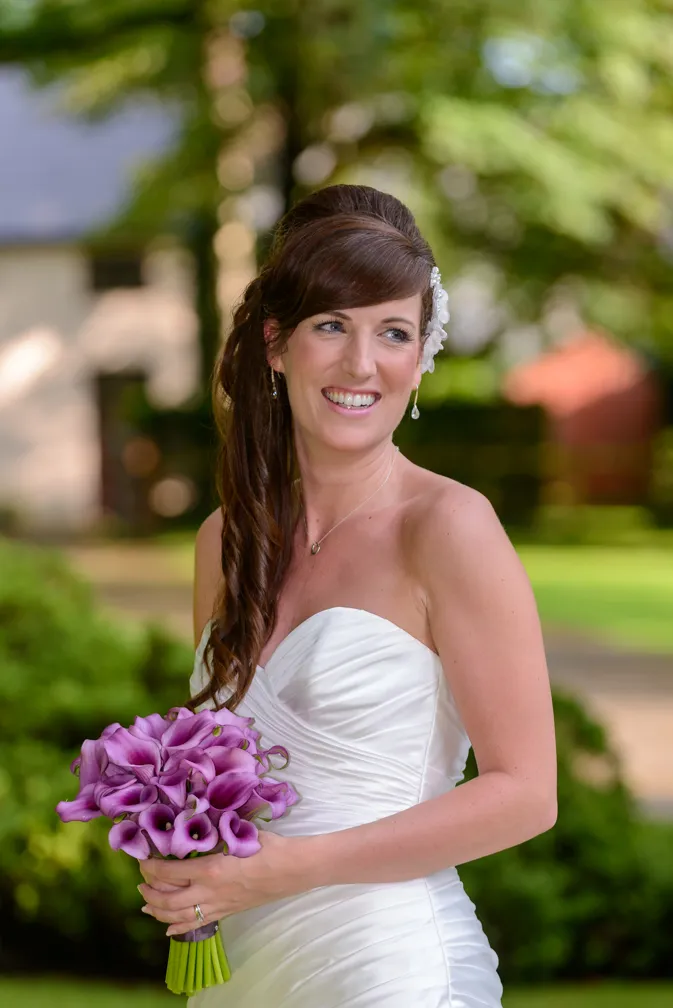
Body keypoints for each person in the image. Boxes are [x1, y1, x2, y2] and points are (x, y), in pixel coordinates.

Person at [138, 184, 557, 1007]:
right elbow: (225, 766)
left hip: (388, 968)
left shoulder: (448, 527)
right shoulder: (224, 541)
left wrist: (294, 867)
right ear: (275, 343)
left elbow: (526, 795)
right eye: (331, 325)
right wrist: (184, 847)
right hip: (245, 971)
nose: (362, 364)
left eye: (392, 332)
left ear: (418, 356)